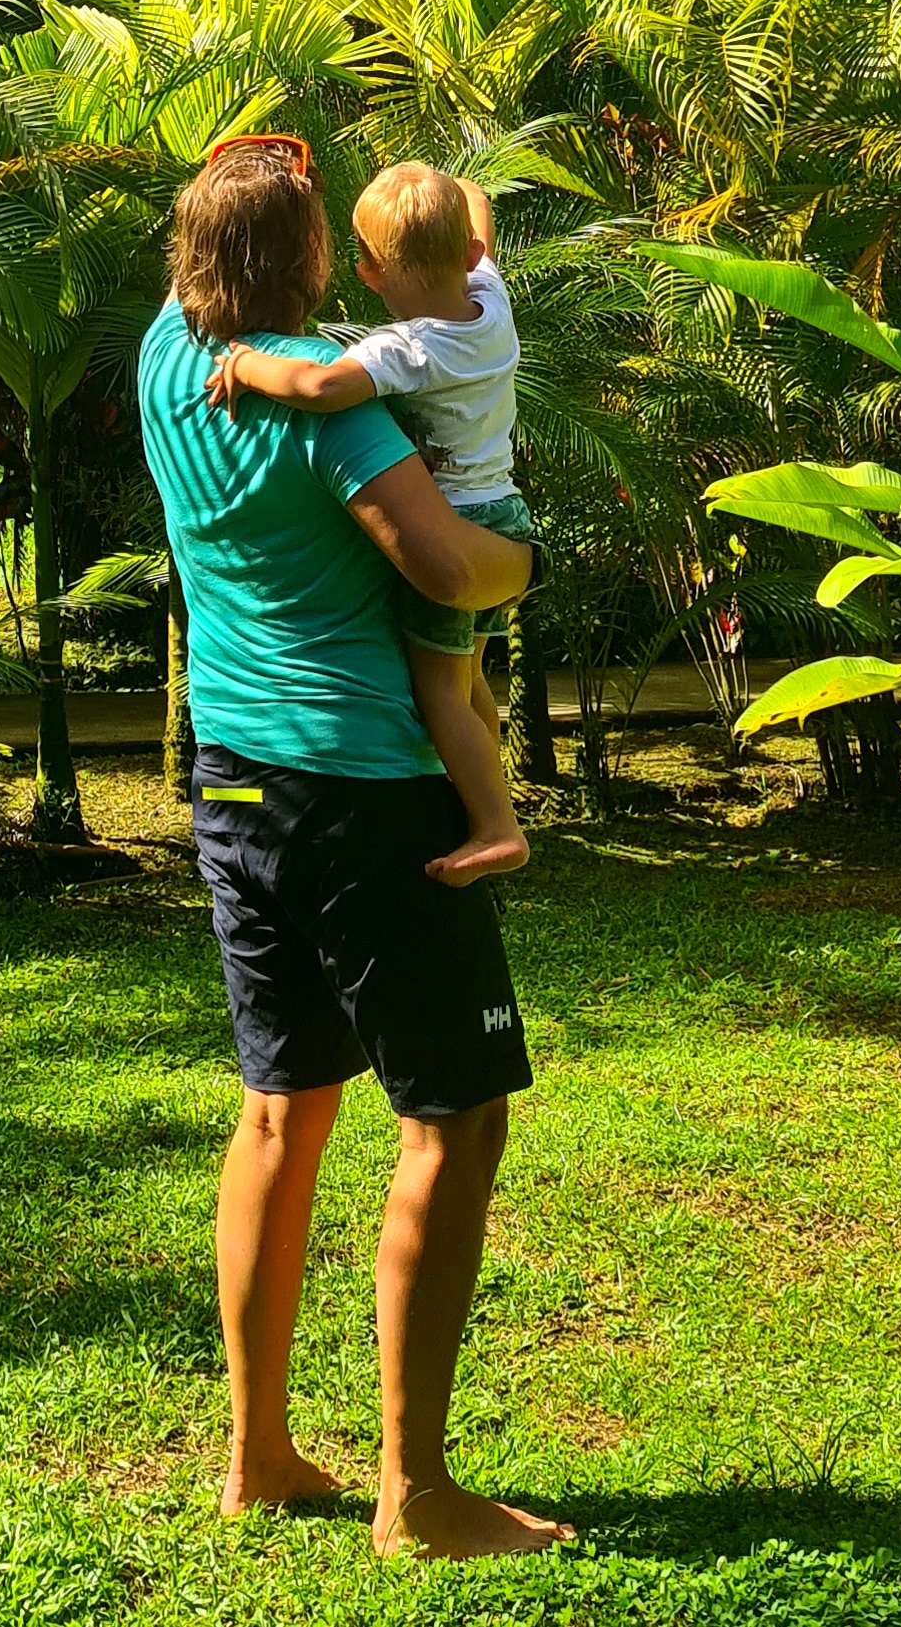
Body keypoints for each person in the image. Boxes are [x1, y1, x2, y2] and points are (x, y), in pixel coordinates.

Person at [137, 131, 569, 1563]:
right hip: (367, 789)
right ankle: (418, 1493)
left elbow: (238, 246)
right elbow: (450, 566)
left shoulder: (161, 355)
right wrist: (526, 560)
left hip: (236, 782)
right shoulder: (344, 417)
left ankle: (259, 1454)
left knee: (281, 1106)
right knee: (454, 1117)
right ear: (319, 263)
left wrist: (253, 175)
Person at [202, 163, 532, 885]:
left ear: (368, 270)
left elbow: (321, 386)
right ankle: (489, 802)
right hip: (503, 508)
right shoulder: (490, 297)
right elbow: (477, 204)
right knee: (467, 678)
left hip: (456, 520)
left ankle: (497, 825)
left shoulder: (407, 348)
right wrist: (443, 190)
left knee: (439, 691)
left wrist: (249, 366)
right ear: (472, 252)